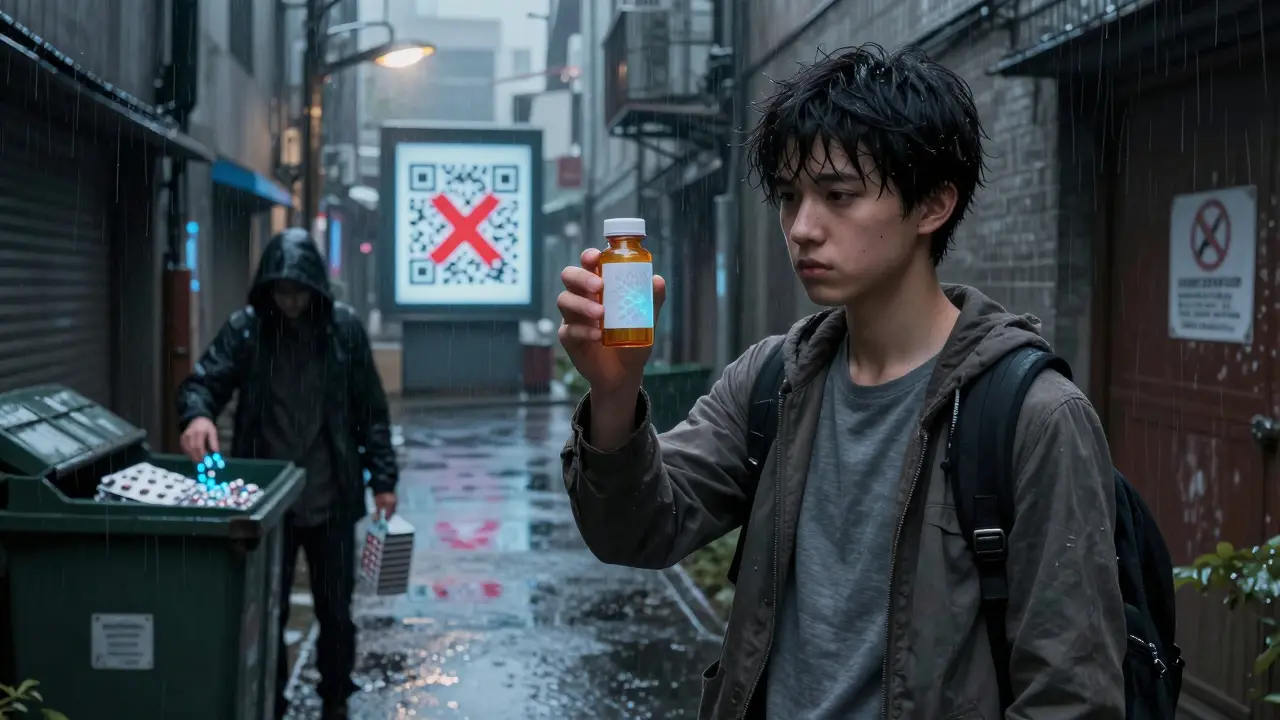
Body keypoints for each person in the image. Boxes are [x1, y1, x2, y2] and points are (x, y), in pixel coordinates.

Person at [556, 44, 1125, 719]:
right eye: (790, 197)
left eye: (838, 196)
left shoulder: (1033, 416)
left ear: (933, 203)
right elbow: (636, 532)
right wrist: (615, 395)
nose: (801, 228)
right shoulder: (773, 381)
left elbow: (1072, 698)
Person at [176, 227, 398, 720]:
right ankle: (267, 699)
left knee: (335, 610)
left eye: (299, 291)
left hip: (331, 494)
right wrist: (197, 415)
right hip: (265, 501)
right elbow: (203, 382)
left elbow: (371, 413)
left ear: (316, 288)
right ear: (267, 289)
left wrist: (383, 480)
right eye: (282, 291)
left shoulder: (344, 330)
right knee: (263, 610)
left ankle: (336, 697)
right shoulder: (247, 329)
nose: (291, 301)